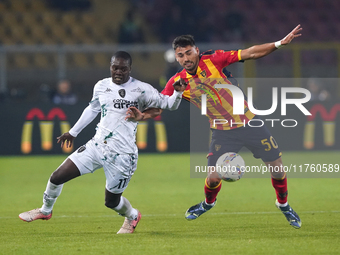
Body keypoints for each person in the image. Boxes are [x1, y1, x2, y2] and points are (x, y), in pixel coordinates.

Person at [126, 25, 303, 229]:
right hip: (221, 131)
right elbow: (159, 108)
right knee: (212, 178)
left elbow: (251, 52)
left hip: (250, 123)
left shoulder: (214, 60)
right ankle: (208, 203)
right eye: (181, 55)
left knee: (278, 169)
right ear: (177, 58)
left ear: (197, 51)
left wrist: (279, 43)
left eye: (189, 52)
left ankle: (283, 204)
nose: (186, 58)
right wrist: (141, 116)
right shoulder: (176, 82)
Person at [19, 51, 186, 234]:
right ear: (110, 67)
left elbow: (169, 105)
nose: (118, 72)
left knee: (111, 202)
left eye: (123, 69)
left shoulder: (141, 89)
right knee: (57, 176)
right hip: (97, 146)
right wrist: (73, 132)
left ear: (129, 69)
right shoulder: (101, 86)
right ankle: (45, 210)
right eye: (115, 68)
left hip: (123, 154)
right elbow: (92, 109)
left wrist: (178, 93)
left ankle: (132, 215)